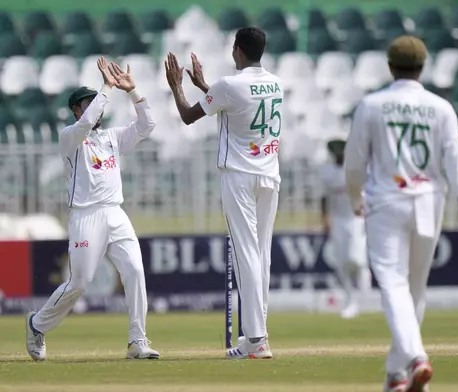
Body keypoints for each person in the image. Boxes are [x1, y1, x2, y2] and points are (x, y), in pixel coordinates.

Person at [345, 36, 458, 392]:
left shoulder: (373, 104)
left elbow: (353, 162)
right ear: (423, 67)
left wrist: (353, 197)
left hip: (386, 202)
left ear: (390, 67)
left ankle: (415, 358)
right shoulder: (440, 108)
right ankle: (397, 375)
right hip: (429, 202)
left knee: (393, 283)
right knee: (414, 290)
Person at [25, 57, 159, 361]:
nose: (94, 108)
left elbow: (147, 125)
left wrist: (133, 91)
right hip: (86, 215)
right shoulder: (71, 137)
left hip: (115, 213)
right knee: (79, 283)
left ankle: (137, 341)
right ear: (76, 109)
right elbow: (87, 123)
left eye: (94, 102)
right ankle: (36, 324)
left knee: (136, 271)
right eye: (87, 103)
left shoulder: (111, 138)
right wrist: (107, 87)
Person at [165, 27, 281, 359]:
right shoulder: (275, 83)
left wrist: (176, 86)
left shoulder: (230, 85)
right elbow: (237, 104)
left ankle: (256, 339)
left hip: (240, 177)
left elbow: (189, 117)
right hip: (269, 176)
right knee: (262, 255)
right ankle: (255, 336)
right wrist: (206, 86)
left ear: (238, 51)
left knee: (247, 254)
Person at [320, 135, 371, 319]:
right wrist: (325, 218)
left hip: (356, 218)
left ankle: (363, 298)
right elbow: (324, 197)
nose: (338, 155)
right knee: (341, 263)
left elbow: (367, 193)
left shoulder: (355, 170)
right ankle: (351, 300)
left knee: (356, 259)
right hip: (338, 220)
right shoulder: (327, 172)